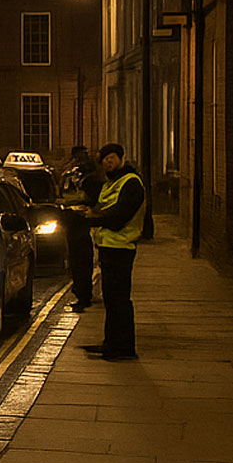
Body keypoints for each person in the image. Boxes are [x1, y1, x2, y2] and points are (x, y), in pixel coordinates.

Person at [81, 142, 144, 362]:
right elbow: (101, 207)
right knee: (112, 299)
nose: (108, 163)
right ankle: (111, 343)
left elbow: (119, 217)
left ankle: (124, 348)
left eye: (111, 158)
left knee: (119, 300)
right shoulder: (111, 183)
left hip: (122, 247)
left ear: (120, 158)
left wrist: (92, 219)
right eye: (104, 160)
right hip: (108, 246)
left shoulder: (132, 183)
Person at [60, 145, 104, 311]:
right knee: (78, 263)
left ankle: (83, 295)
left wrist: (72, 203)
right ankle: (82, 294)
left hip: (84, 224)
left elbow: (90, 199)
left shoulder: (91, 178)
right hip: (76, 223)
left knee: (82, 262)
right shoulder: (73, 175)